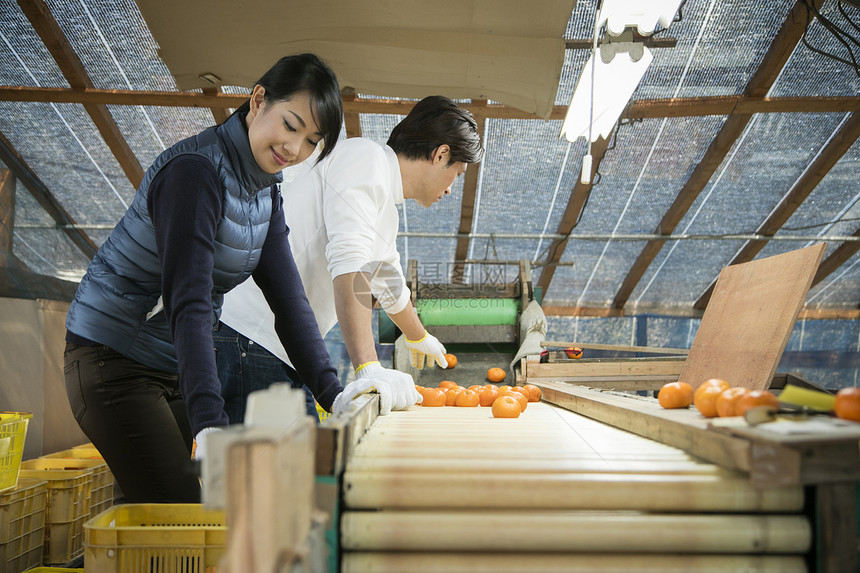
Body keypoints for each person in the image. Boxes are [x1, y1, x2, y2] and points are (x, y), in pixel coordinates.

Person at [63, 53, 345, 504]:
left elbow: (290, 304)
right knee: (179, 514)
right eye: (291, 126)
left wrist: (336, 394)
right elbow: (188, 300)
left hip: (166, 365)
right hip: (112, 359)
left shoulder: (263, 194)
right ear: (258, 101)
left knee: (161, 518)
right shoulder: (195, 172)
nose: (295, 149)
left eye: (312, 142)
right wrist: (209, 420)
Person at [218, 95, 485, 420]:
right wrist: (368, 365)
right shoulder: (365, 159)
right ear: (440, 153)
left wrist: (419, 336)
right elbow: (351, 262)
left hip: (279, 348)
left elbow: (389, 284)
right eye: (456, 174)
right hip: (249, 337)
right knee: (275, 468)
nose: (450, 190)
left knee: (296, 465)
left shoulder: (384, 208)